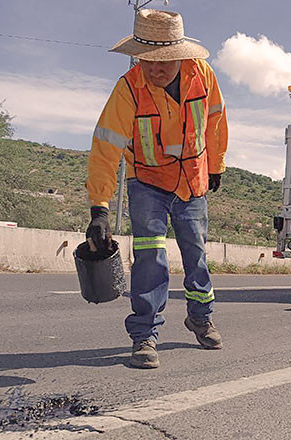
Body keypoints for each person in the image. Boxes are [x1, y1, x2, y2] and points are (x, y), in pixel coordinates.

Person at [85, 9, 228, 369]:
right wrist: (99, 209)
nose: (154, 70)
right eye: (147, 61)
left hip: (193, 180)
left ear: (182, 56)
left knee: (196, 255)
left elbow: (216, 122)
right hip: (147, 182)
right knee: (150, 257)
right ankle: (145, 336)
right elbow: (106, 146)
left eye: (163, 62)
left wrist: (216, 165)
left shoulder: (204, 77)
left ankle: (200, 316)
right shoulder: (129, 87)